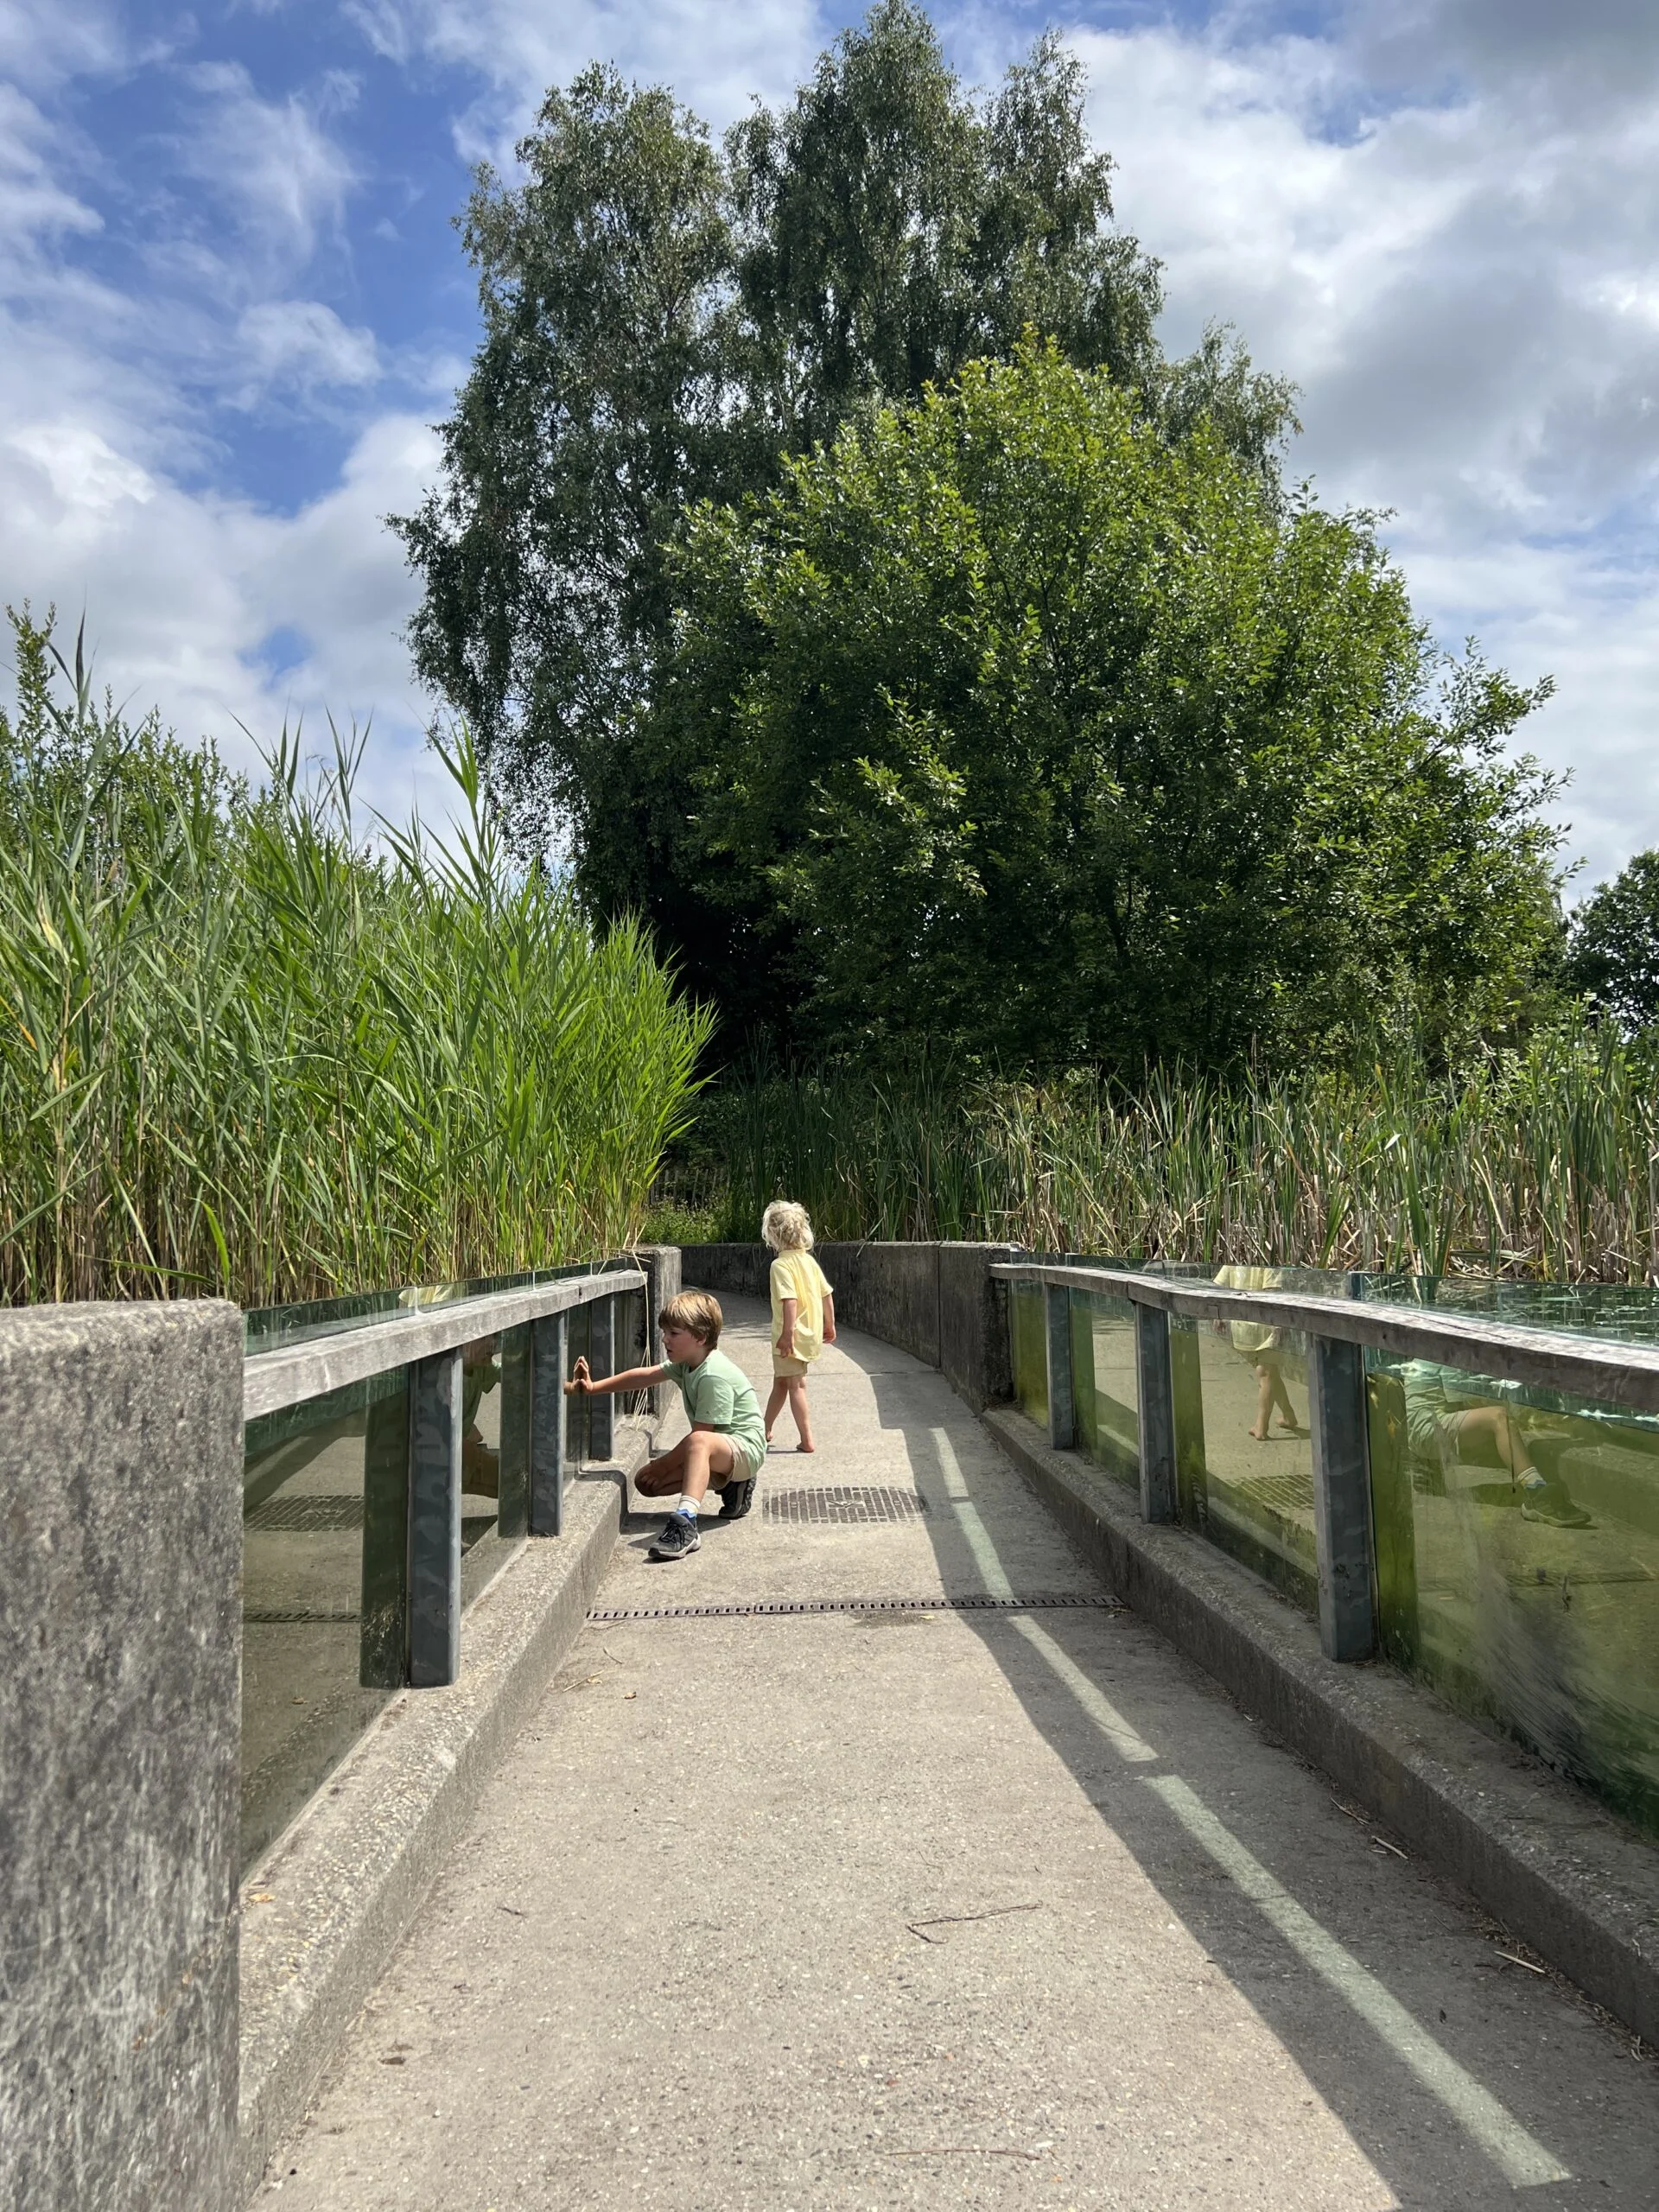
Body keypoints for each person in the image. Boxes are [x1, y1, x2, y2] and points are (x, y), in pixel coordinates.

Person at [567, 1288, 767, 1560]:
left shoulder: (713, 1375)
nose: (664, 1339)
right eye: (664, 1332)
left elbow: (701, 1436)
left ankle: (686, 1524)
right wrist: (592, 1388)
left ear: (700, 1337)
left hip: (745, 1449)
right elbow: (643, 1376)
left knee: (698, 1442)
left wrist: (663, 1464)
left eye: (673, 1333)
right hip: (716, 1449)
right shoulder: (686, 1364)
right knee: (647, 1484)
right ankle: (730, 1485)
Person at [1402, 1361, 1592, 1527]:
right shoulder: (1453, 1354)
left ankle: (1426, 1465)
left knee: (1515, 1450)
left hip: (1421, 1430)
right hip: (1428, 1429)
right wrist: (1543, 1419)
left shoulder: (1442, 1347)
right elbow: (1472, 1404)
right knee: (1500, 1418)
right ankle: (1537, 1495)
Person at [760, 1200, 836, 1452]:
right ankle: (765, 1428)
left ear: (773, 1235)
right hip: (808, 1335)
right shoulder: (809, 1262)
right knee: (781, 1382)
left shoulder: (780, 1265)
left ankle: (807, 1439)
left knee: (795, 1386)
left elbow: (789, 1301)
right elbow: (826, 1294)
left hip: (790, 1338)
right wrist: (830, 1324)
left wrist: (786, 1335)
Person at [1213, 1262, 1302, 1440]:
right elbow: (1273, 1293)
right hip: (1262, 1326)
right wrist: (1279, 1324)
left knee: (1267, 1373)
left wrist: (1218, 1314)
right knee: (1268, 1374)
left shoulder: (1237, 1259)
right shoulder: (1268, 1261)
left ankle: (1268, 1423)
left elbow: (1218, 1287)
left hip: (1244, 1325)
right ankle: (1280, 1418)